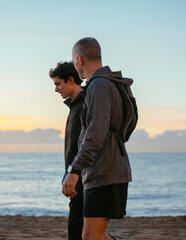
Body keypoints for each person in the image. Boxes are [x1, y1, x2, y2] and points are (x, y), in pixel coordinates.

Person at [62, 37, 132, 240]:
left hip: (104, 170)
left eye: (74, 61)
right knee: (91, 235)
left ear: (79, 59)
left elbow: (95, 133)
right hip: (109, 168)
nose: (75, 65)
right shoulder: (111, 83)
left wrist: (74, 170)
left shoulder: (99, 86)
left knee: (92, 236)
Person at [49, 61, 84, 240]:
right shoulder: (74, 106)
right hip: (76, 178)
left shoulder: (85, 103)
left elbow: (89, 144)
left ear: (71, 80)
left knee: (81, 233)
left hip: (85, 180)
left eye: (58, 83)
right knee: (87, 233)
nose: (56, 89)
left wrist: (74, 172)